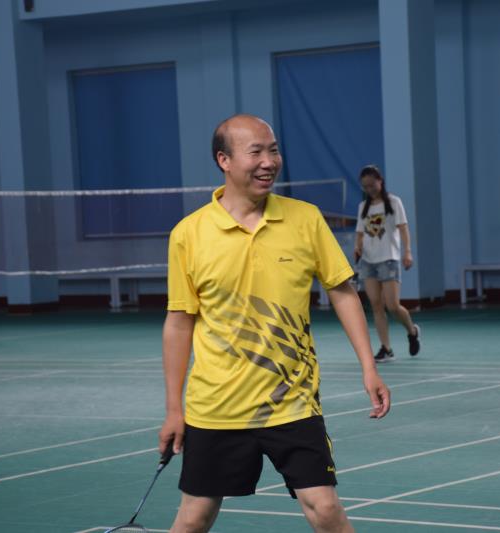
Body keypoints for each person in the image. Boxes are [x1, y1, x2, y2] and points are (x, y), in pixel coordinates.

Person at [158, 114, 391, 533]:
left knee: (325, 509)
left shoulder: (305, 219)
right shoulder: (188, 234)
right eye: (256, 152)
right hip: (217, 408)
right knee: (193, 518)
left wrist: (368, 367)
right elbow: (179, 323)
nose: (269, 161)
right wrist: (175, 409)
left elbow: (342, 292)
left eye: (274, 150)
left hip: (292, 401)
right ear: (224, 160)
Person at [353, 165, 420, 363]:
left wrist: (407, 252)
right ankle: (386, 348)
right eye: (365, 186)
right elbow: (360, 233)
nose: (369, 189)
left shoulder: (394, 202)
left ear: (380, 182)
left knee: (393, 306)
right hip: (368, 262)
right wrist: (357, 247)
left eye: (372, 185)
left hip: (389, 259)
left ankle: (412, 331)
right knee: (376, 305)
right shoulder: (362, 207)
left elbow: (403, 228)